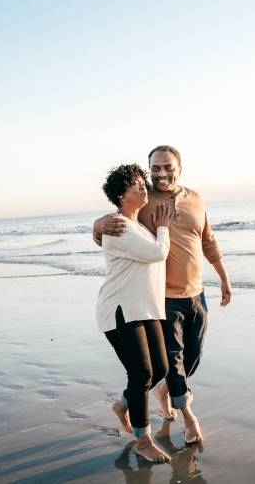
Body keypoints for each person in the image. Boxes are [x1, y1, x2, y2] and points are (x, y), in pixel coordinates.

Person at [93, 145, 232, 444]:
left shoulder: (195, 199)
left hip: (196, 294)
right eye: (155, 168)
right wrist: (97, 225)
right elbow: (118, 228)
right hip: (162, 300)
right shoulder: (145, 201)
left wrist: (224, 278)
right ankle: (189, 418)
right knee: (173, 362)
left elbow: (208, 240)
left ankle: (140, 397)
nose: (161, 173)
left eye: (167, 167)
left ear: (179, 168)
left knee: (191, 359)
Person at [96, 163, 174, 463]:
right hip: (120, 311)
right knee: (141, 373)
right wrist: (164, 226)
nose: (143, 186)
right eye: (135, 184)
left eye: (143, 181)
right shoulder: (118, 225)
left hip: (144, 309)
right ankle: (143, 440)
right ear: (119, 194)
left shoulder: (136, 224)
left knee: (160, 369)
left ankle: (124, 404)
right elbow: (157, 252)